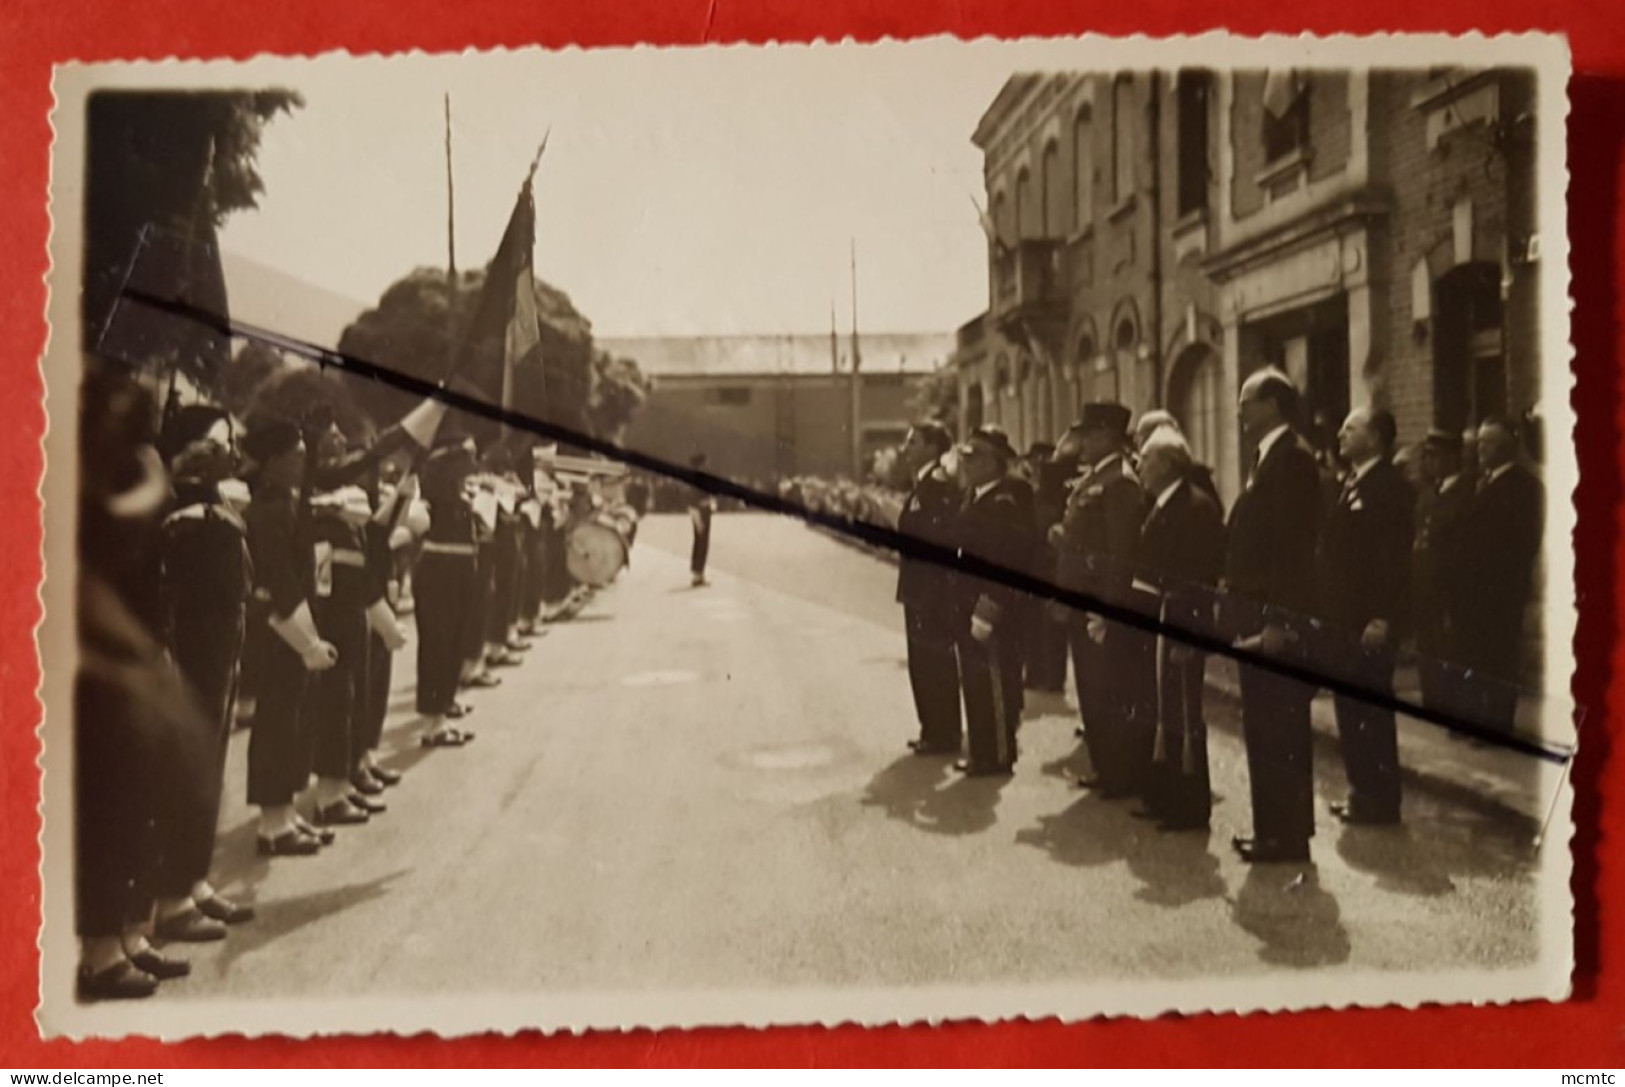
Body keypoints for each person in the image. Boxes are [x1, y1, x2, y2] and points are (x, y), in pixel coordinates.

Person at [75, 363, 215, 1000]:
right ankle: (102, 954)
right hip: (99, 665)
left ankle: (130, 938)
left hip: (136, 653)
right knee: (105, 813)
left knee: (131, 811)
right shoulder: (98, 492)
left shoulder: (135, 479)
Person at [150, 404, 255, 942]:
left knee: (211, 768)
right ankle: (169, 899)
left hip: (222, 652)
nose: (229, 453)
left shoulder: (217, 503)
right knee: (185, 773)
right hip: (192, 652)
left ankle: (194, 879)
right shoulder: (175, 511)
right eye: (217, 444)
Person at [1224, 367, 1323, 864]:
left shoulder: (1292, 461)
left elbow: (1293, 552)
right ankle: (1273, 831)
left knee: (1280, 730)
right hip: (1256, 615)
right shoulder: (1268, 458)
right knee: (1264, 729)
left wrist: (1280, 622)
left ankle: (1286, 837)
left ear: (1274, 406)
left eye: (1247, 400)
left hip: (1274, 622)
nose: (1239, 409)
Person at [242, 414, 339, 857]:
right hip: (279, 624)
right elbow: (280, 576)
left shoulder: (287, 501)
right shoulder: (268, 508)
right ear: (275, 461)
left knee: (296, 716)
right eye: (296, 456)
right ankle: (271, 821)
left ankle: (286, 812)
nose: (304, 462)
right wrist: (307, 640)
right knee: (277, 721)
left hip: (293, 619)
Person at [1317, 407, 1413, 826]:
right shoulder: (1352, 482)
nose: (1340, 433)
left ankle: (1381, 799)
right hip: (1345, 619)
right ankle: (1363, 793)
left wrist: (1383, 617)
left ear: (1375, 438)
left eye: (1350, 427)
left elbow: (1394, 562)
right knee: (1350, 710)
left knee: (1371, 711)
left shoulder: (1390, 487)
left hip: (1369, 622)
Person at [1132, 427, 1226, 830]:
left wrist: (1193, 635)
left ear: (1169, 464)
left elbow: (1202, 578)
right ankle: (1165, 795)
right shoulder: (1161, 505)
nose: (1140, 465)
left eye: (1147, 459)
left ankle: (1188, 806)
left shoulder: (1196, 508)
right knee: (1164, 709)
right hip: (1161, 619)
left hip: (1182, 621)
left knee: (1185, 713)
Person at [1053, 402, 1148, 797]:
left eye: (1089, 434)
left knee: (1106, 688)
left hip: (1098, 605)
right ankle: (1105, 767)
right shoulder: (1096, 477)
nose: (1082, 443)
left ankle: (1118, 773)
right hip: (1081, 599)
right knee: (1090, 688)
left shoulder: (1121, 481)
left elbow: (1120, 553)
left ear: (1109, 435)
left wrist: (1107, 609)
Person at [949, 425, 1032, 776]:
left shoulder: (1003, 503)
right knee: (976, 681)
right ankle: (982, 750)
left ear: (997, 463)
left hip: (991, 608)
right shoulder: (976, 496)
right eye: (965, 454)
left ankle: (998, 754)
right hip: (968, 602)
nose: (966, 462)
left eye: (975, 455)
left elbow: (1005, 562)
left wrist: (988, 609)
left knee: (996, 682)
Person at [1458, 416, 1545, 736]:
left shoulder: (1527, 488)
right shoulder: (1479, 482)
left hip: (1501, 587)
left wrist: (1497, 573)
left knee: (1498, 655)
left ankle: (1496, 723)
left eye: (1489, 443)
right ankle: (1475, 718)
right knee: (1474, 652)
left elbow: (1524, 542)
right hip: (1473, 587)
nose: (1481, 449)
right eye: (1479, 442)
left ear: (1508, 446)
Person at [893, 423, 962, 756]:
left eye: (914, 442)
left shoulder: (937, 486)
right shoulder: (925, 483)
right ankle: (933, 729)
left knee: (934, 662)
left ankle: (942, 733)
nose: (906, 448)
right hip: (920, 588)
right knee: (923, 661)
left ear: (933, 447)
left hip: (931, 591)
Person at [414, 434, 482, 747]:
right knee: (437, 646)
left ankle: (444, 708)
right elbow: (429, 466)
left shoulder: (460, 491)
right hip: (440, 572)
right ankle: (432, 722)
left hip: (461, 572)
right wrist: (454, 450)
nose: (473, 464)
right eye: (466, 459)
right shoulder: (436, 488)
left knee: (455, 641)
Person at [1412, 429, 1474, 723]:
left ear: (1453, 458)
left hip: (1449, 584)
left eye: (1435, 456)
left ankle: (1452, 708)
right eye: (1426, 456)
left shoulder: (1465, 493)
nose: (1429, 463)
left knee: (1451, 646)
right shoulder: (1428, 493)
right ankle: (1433, 703)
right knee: (1428, 643)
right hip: (1424, 583)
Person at [688, 452, 717, 587]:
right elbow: (693, 501)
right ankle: (698, 574)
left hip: (702, 512)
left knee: (701, 543)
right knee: (701, 543)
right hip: (700, 513)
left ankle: (698, 572)